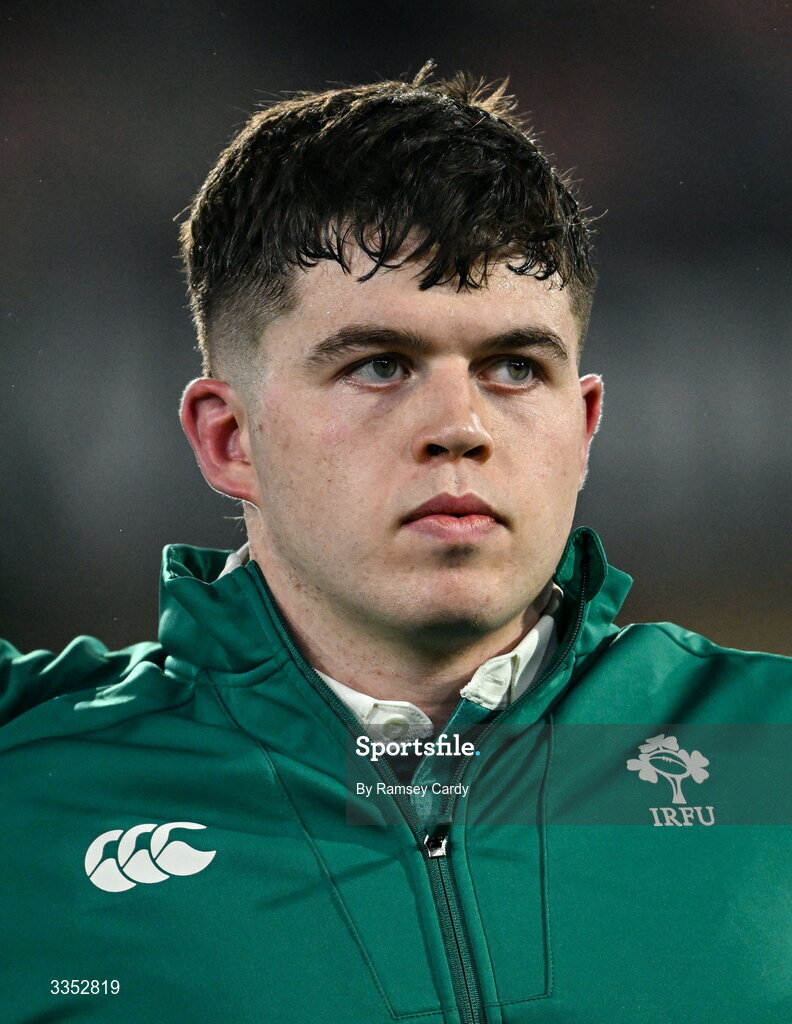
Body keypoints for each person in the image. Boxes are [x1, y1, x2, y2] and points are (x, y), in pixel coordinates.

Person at [1, 65, 789, 1024]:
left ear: (583, 429)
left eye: (513, 366)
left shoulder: (769, 747)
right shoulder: (34, 791)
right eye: (380, 365)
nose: (459, 424)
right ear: (229, 438)